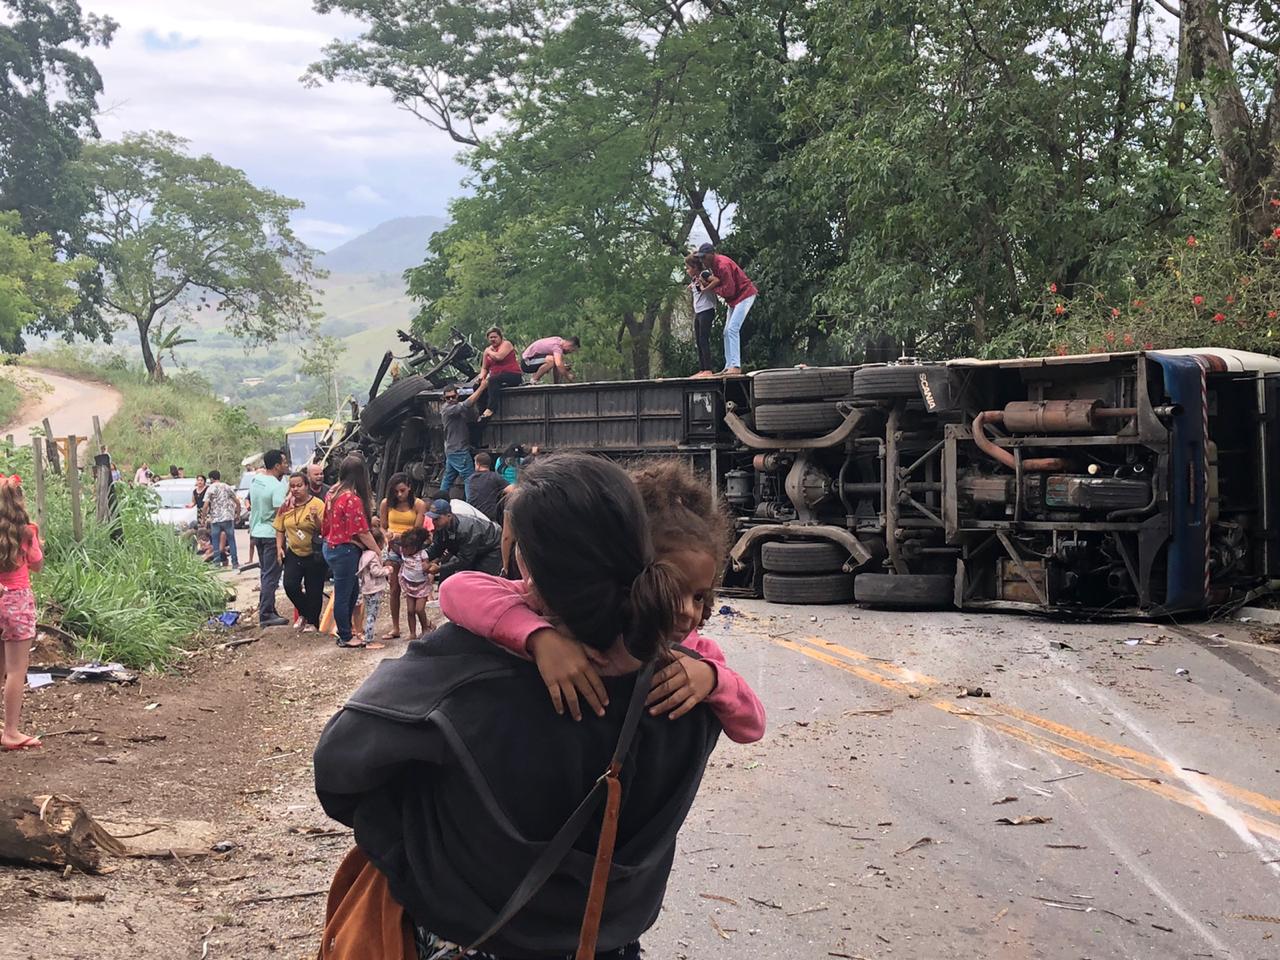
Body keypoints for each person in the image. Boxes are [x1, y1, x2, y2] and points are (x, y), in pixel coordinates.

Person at [313, 454, 720, 959]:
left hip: (473, 936)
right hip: (606, 941)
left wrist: (415, 854)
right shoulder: (693, 689)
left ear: (525, 562)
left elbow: (338, 774)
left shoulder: (461, 669)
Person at [441, 458, 765, 737]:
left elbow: (752, 726)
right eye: (670, 587)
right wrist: (540, 637)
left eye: (698, 597)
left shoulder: (694, 650)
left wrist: (713, 679)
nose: (685, 612)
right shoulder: (553, 610)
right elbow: (455, 590)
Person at [0, 473, 44, 751]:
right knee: (16, 671)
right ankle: (11, 732)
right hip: (17, 602)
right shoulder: (27, 531)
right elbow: (37, 565)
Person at [322, 455, 381, 649]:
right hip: (345, 550)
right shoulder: (352, 499)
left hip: (330, 546)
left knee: (350, 590)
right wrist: (377, 550)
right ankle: (345, 635)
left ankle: (347, 631)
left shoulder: (332, 492)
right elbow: (362, 532)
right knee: (344, 594)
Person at [274, 470, 327, 631]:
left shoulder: (317, 505)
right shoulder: (286, 506)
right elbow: (279, 528)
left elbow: (325, 529)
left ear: (306, 486)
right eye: (292, 486)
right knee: (290, 585)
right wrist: (279, 548)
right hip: (294, 551)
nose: (296, 489)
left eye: (299, 486)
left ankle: (313, 622)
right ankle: (305, 613)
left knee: (314, 589)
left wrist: (315, 519)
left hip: (314, 553)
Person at [378, 473, 428, 641]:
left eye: (402, 491)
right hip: (393, 550)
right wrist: (387, 536)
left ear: (409, 488)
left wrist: (398, 536)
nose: (399, 495)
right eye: (396, 492)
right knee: (394, 588)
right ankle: (395, 627)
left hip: (412, 552)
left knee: (414, 588)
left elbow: (418, 531)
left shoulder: (419, 505)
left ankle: (422, 626)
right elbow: (382, 527)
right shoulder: (386, 503)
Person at [696, 242, 757, 376]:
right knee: (725, 332)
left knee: (732, 328)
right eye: (700, 258)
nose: (702, 261)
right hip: (735, 299)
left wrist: (712, 288)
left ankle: (735, 365)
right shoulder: (714, 265)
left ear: (712, 255)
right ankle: (728, 365)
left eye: (704, 257)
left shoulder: (722, 265)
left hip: (744, 295)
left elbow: (729, 290)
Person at [249, 450, 290, 628]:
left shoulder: (257, 480)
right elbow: (280, 511)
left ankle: (269, 609)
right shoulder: (277, 485)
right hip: (271, 534)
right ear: (276, 466)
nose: (287, 465)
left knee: (265, 572)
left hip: (256, 531)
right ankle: (266, 614)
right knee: (271, 575)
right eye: (284, 462)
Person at [424, 498, 502, 580]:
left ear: (449, 516)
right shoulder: (441, 527)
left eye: (436, 519)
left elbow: (465, 559)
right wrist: (420, 556)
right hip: (471, 549)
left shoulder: (465, 529)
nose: (433, 522)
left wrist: (440, 568)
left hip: (492, 546)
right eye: (432, 519)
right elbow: (437, 547)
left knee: (480, 578)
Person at [439, 383, 485, 499]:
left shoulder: (455, 408)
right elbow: (467, 404)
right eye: (447, 398)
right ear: (443, 399)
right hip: (458, 449)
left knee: (448, 479)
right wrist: (482, 387)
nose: (450, 399)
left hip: (452, 449)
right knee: (470, 479)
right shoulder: (448, 409)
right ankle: (472, 504)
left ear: (457, 395)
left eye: (452, 397)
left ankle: (439, 501)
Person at [396, 527, 434, 639]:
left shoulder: (422, 554)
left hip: (421, 586)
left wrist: (427, 567)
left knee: (419, 609)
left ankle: (425, 629)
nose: (403, 549)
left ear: (414, 547)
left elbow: (428, 566)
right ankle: (412, 633)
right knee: (410, 610)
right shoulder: (404, 554)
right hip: (409, 585)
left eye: (406, 547)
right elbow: (395, 545)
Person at [477, 326, 523, 417]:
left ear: (500, 337)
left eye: (495, 337)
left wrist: (488, 352)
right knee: (478, 385)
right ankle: (482, 410)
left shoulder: (506, 344)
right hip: (497, 377)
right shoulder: (488, 350)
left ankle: (491, 408)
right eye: (491, 337)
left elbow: (499, 357)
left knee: (493, 380)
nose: (493, 339)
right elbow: (485, 368)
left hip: (513, 375)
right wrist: (481, 377)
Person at [686, 252, 718, 377]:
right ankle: (702, 368)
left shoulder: (704, 274)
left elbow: (716, 280)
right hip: (698, 311)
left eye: (688, 268)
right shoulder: (694, 279)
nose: (687, 270)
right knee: (699, 340)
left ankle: (708, 369)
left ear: (695, 267)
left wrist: (706, 288)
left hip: (707, 309)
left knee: (704, 338)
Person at [358, 528, 390, 649]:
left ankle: (368, 633)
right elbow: (375, 571)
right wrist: (387, 570)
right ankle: (369, 640)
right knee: (372, 614)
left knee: (368, 612)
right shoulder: (373, 556)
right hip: (374, 588)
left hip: (366, 588)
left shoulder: (363, 554)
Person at [204, 469, 241, 569]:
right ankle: (235, 563)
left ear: (211, 478)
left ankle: (217, 563)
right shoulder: (227, 487)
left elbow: (206, 505)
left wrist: (203, 518)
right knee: (231, 540)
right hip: (228, 517)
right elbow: (237, 502)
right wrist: (237, 514)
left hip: (215, 519)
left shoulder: (210, 488)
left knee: (215, 542)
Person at [467, 451, 509, 523]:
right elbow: (511, 489)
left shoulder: (470, 479)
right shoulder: (495, 477)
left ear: (478, 464)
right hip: (491, 517)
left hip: (474, 516)